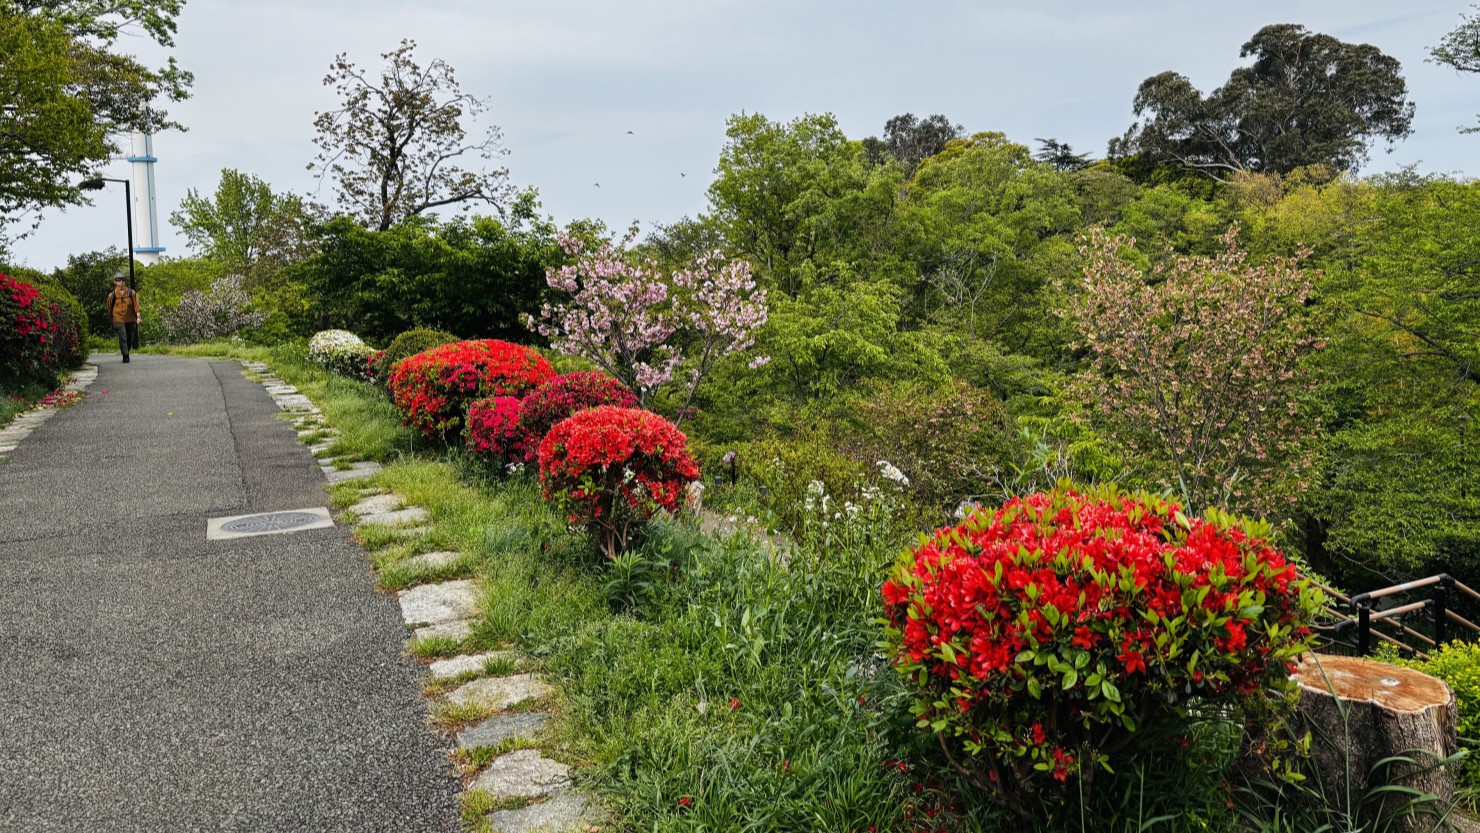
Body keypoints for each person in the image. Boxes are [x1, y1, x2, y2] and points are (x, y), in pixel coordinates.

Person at [106, 275, 141, 363]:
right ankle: (125, 356)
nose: (121, 282)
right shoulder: (112, 295)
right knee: (123, 337)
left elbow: (136, 306)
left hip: (130, 318)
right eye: (118, 280)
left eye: (122, 280)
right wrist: (111, 319)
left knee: (130, 338)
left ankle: (126, 350)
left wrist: (138, 317)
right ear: (115, 282)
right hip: (118, 319)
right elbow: (109, 308)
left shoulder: (131, 293)